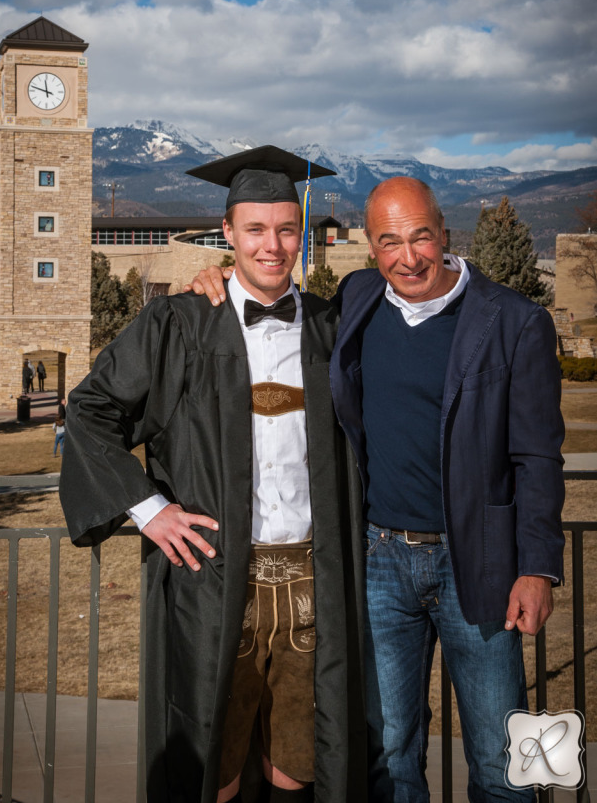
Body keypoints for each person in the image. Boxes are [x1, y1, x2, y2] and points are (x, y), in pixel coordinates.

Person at [190, 175, 565, 803]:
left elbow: (537, 457)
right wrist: (210, 280)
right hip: (380, 562)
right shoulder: (360, 299)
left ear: (445, 232)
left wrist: (538, 569)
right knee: (390, 757)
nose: (408, 256)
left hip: (478, 563)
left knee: (503, 762)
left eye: (421, 237)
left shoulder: (515, 322)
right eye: (390, 242)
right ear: (370, 248)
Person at [59, 146, 366, 803]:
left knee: (299, 760)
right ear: (226, 234)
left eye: (287, 228)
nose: (272, 245)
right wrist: (147, 509)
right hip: (215, 582)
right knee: (213, 763)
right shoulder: (179, 325)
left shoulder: (330, 327)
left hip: (314, 584)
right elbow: (89, 409)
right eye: (254, 229)